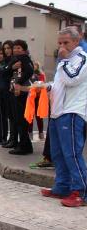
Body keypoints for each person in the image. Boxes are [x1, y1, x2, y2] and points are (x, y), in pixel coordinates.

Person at [39, 26, 87, 207]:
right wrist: (47, 87)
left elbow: (72, 79)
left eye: (66, 42)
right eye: (59, 43)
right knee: (58, 153)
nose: (61, 47)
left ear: (77, 41)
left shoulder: (81, 59)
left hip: (72, 112)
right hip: (58, 112)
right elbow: (61, 84)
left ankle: (81, 192)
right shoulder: (64, 62)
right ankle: (62, 186)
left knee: (72, 153)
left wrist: (65, 60)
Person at [9, 39, 34, 155]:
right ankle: (26, 145)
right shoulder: (17, 59)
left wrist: (19, 82)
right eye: (14, 48)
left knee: (21, 119)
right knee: (19, 119)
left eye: (19, 48)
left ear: (23, 49)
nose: (16, 50)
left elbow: (29, 71)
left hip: (22, 92)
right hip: (17, 90)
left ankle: (24, 146)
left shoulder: (24, 58)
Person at [0, 40, 16, 149]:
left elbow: (5, 72)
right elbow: (3, 73)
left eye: (8, 48)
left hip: (12, 91)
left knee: (13, 116)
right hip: (4, 91)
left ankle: (13, 139)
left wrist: (5, 69)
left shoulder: (13, 60)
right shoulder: (7, 61)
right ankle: (11, 138)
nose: (6, 51)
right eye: (5, 49)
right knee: (9, 116)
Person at [29, 61, 46, 140]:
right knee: (30, 116)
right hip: (31, 97)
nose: (33, 66)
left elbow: (42, 84)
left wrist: (36, 85)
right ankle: (30, 133)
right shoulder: (29, 74)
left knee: (39, 116)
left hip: (38, 97)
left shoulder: (41, 75)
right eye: (32, 65)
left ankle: (41, 133)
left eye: (35, 65)